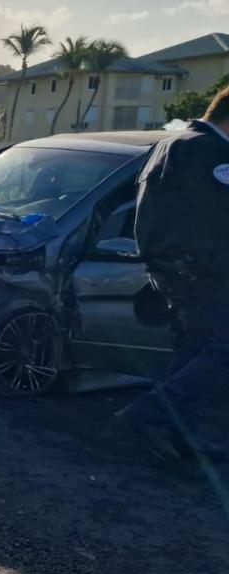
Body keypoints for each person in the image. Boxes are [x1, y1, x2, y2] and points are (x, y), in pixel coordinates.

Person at [118, 85, 229, 462]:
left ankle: (182, 436)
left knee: (195, 348)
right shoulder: (214, 154)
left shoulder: (169, 146)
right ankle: (150, 414)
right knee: (221, 351)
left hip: (171, 269)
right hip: (205, 271)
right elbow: (217, 222)